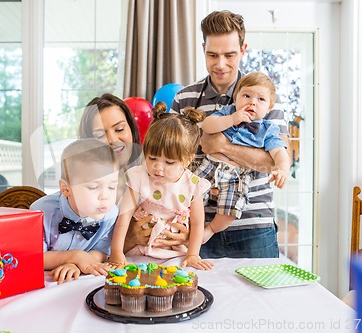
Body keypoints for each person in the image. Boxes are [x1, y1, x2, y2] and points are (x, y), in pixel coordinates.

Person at [170, 10, 290, 258]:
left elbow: (274, 161)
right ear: (203, 48)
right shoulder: (185, 99)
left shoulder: (266, 101)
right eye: (212, 54)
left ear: (243, 49)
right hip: (196, 226)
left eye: (230, 55)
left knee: (261, 298)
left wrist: (219, 145)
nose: (220, 64)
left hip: (254, 228)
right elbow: (172, 159)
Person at [78, 93, 189, 254]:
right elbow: (80, 245)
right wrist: (128, 240)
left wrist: (184, 235)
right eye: (100, 135)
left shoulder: (158, 171)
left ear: (131, 128)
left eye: (119, 129)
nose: (113, 139)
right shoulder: (84, 188)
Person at [108, 102, 213, 270]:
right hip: (140, 253)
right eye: (152, 158)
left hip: (176, 254)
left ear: (188, 159)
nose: (158, 167)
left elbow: (198, 223)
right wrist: (116, 251)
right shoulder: (139, 177)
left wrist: (193, 254)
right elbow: (124, 217)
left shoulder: (193, 185)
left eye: (169, 162)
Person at [196, 72, 290, 243]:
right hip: (210, 165)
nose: (252, 102)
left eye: (261, 99)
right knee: (190, 192)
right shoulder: (228, 112)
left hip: (238, 176)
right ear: (236, 98)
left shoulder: (268, 129)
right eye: (246, 95)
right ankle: (190, 225)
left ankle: (210, 229)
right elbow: (207, 126)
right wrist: (232, 119)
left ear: (269, 107)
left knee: (231, 209)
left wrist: (282, 169)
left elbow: (279, 152)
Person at [30, 138, 119, 284]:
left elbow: (102, 251)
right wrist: (73, 256)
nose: (105, 196)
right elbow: (33, 258)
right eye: (93, 187)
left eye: (112, 187)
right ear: (66, 188)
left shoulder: (110, 214)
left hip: (80, 283)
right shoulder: (40, 213)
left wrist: (76, 263)